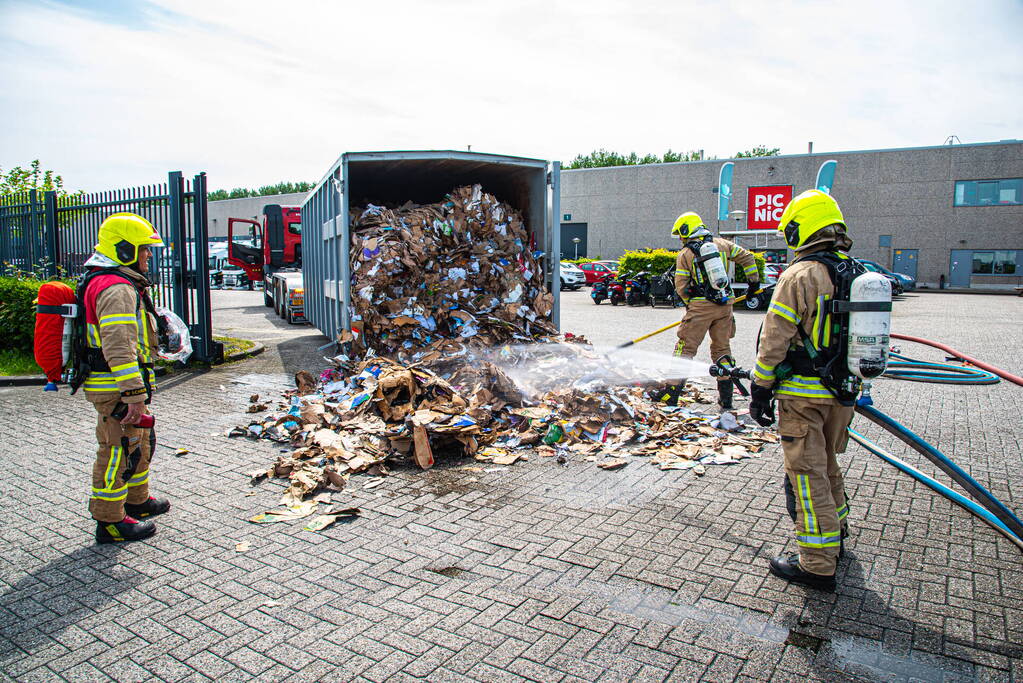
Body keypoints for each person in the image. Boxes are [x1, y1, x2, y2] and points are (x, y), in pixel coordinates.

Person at [748, 190, 859, 592]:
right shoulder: (855, 271)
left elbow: (774, 337)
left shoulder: (801, 275)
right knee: (827, 463)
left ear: (801, 228)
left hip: (803, 395)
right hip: (842, 393)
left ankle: (815, 563)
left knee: (806, 476)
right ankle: (838, 535)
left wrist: (760, 388)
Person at [81, 213, 169, 544]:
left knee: (139, 442)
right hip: (116, 388)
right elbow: (118, 347)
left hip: (124, 386)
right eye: (144, 249)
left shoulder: (119, 282)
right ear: (124, 249)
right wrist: (134, 394)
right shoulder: (115, 288)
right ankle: (111, 522)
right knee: (117, 449)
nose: (148, 255)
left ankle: (137, 501)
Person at [671, 212, 760, 409]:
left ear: (686, 230)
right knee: (722, 349)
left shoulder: (685, 254)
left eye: (680, 234)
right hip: (725, 304)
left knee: (684, 349)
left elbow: (681, 286)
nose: (680, 239)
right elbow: (748, 258)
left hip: (700, 307)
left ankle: (670, 394)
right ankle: (726, 398)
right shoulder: (723, 245)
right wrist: (753, 285)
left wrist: (691, 304)